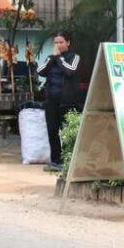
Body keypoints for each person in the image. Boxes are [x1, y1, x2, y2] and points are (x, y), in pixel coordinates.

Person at [37, 30, 81, 172]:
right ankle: (56, 161)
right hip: (51, 101)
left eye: (61, 42)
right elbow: (40, 71)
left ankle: (67, 161)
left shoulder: (74, 57)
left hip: (68, 101)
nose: (58, 45)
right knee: (52, 130)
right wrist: (52, 58)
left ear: (68, 42)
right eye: (56, 42)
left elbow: (70, 71)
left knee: (66, 132)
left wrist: (59, 59)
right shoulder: (51, 58)